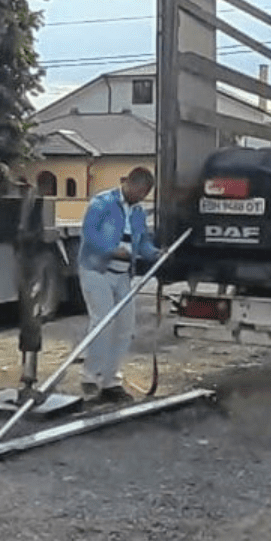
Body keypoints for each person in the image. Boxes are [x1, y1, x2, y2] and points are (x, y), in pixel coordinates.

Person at [76, 166, 158, 404]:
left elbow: (142, 243)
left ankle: (111, 382)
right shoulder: (103, 203)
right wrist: (112, 250)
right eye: (140, 192)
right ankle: (91, 376)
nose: (141, 197)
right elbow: (89, 233)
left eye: (145, 194)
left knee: (125, 327)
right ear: (130, 184)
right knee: (103, 321)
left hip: (123, 275)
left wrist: (155, 253)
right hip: (96, 270)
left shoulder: (138, 213)